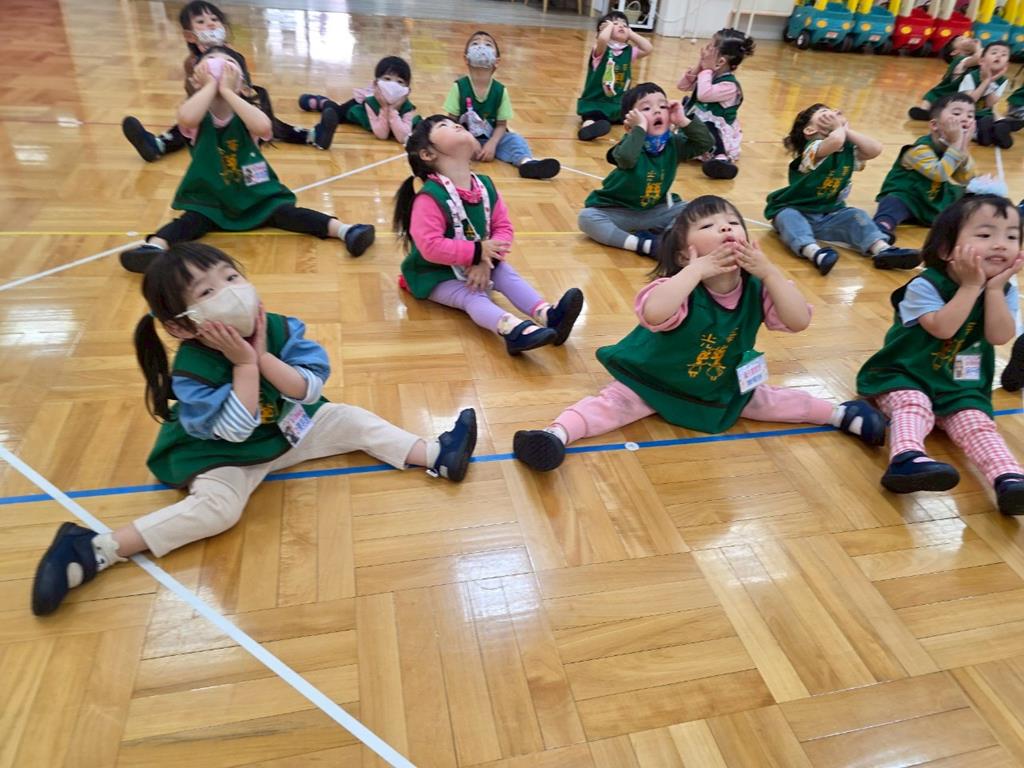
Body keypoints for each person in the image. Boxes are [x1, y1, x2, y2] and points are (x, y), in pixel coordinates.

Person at [31, 243, 477, 616]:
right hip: (223, 455)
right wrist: (244, 365)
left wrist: (262, 357)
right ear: (181, 326)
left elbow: (310, 388)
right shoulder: (192, 371)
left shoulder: (279, 327)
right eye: (208, 291)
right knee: (218, 511)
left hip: (284, 429)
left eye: (231, 277)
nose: (231, 293)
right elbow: (233, 432)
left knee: (350, 419)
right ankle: (95, 548)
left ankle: (436, 454)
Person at [513, 195, 886, 471]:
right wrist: (694, 272)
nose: (725, 228)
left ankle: (839, 415)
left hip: (716, 384)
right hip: (651, 379)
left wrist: (771, 273)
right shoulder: (681, 286)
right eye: (708, 227)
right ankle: (556, 434)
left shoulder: (759, 286)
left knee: (770, 400)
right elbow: (654, 311)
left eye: (733, 222)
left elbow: (798, 321)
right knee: (610, 405)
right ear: (682, 254)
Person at [119, 47, 374, 274]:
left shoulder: (246, 113)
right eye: (211, 61)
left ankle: (346, 230)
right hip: (212, 199)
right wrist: (208, 87)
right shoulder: (196, 116)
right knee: (188, 222)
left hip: (255, 195)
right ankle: (154, 247)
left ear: (242, 82)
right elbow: (185, 118)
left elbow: (263, 127)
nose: (220, 67)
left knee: (290, 214)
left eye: (229, 64)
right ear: (197, 78)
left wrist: (228, 91)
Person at [857, 194, 1024, 514]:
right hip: (903, 374)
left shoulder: (1003, 290)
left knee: (976, 422)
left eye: (1012, 236)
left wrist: (992, 290)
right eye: (985, 234)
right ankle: (906, 458)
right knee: (913, 404)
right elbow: (943, 329)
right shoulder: (926, 285)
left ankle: (1008, 478)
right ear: (947, 250)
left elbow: (999, 336)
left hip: (959, 384)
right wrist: (971, 287)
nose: (1000, 245)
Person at [394, 116, 584, 356]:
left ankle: (548, 315)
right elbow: (430, 247)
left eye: (454, 123)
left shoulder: (484, 185)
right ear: (427, 154)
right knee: (471, 296)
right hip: (433, 273)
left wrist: (486, 260)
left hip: (479, 259)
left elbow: (503, 227)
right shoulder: (429, 198)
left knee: (505, 272)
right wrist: (477, 253)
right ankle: (513, 331)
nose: (456, 124)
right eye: (443, 126)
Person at [122, 1, 337, 161]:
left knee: (270, 123)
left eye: (214, 20)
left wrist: (237, 92)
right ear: (189, 36)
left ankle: (313, 135)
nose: (210, 24)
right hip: (207, 114)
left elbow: (245, 88)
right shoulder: (192, 62)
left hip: (235, 110)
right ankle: (156, 145)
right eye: (201, 22)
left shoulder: (233, 56)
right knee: (183, 126)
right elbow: (192, 96)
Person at [764, 103, 921, 276]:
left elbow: (875, 149)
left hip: (829, 215)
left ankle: (882, 249)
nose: (834, 112)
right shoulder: (812, 149)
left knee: (856, 215)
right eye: (825, 113)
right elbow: (836, 141)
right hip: (798, 211)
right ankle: (815, 253)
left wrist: (846, 130)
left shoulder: (847, 151)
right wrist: (839, 126)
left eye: (833, 111)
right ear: (809, 130)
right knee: (787, 217)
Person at [578, 83, 713, 256]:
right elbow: (627, 158)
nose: (657, 111)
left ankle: (667, 240)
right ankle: (644, 245)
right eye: (646, 108)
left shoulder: (674, 143)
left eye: (662, 106)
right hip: (617, 211)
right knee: (587, 218)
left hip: (655, 210)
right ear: (630, 123)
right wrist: (639, 128)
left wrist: (683, 121)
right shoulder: (629, 144)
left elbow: (705, 144)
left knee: (694, 209)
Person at [442, 31, 560, 179]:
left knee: (515, 139)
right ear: (466, 58)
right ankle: (453, 164)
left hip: (492, 138)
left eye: (487, 44)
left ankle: (526, 163)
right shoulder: (459, 87)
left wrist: (492, 143)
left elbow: (501, 125)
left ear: (496, 61)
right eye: (475, 43)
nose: (481, 47)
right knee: (446, 142)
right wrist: (470, 141)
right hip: (464, 139)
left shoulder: (500, 90)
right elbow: (452, 122)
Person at [873, 93, 977, 243]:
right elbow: (939, 174)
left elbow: (965, 178)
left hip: (935, 199)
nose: (965, 119)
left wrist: (963, 147)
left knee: (974, 196)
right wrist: (956, 144)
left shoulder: (953, 148)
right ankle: (881, 228)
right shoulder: (919, 149)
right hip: (910, 198)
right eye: (956, 113)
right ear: (934, 125)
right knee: (893, 202)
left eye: (970, 115)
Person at [677, 31, 755, 179]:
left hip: (716, 134)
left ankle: (720, 157)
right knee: (681, 108)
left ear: (720, 62)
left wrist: (706, 69)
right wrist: (700, 66)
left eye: (710, 48)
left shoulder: (729, 86)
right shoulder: (708, 75)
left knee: (708, 124)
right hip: (697, 126)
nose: (704, 50)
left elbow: (703, 94)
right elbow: (682, 86)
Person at [298, 55, 421, 146]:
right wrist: (384, 108)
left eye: (400, 82)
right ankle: (322, 102)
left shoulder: (407, 107)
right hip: (360, 111)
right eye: (387, 79)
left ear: (407, 90)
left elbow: (402, 137)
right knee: (338, 112)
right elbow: (382, 134)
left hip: (382, 120)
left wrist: (392, 110)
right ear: (376, 84)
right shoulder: (370, 102)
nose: (393, 85)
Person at [576, 11, 653, 141]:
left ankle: (642, 127)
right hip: (597, 103)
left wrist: (631, 33)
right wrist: (608, 28)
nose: (621, 26)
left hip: (618, 105)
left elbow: (648, 48)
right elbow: (603, 39)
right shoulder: (600, 49)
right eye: (615, 24)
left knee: (635, 113)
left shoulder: (629, 52)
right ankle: (588, 128)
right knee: (593, 116)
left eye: (624, 25)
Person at [908, 35, 981, 121]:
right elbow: (980, 58)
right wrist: (977, 46)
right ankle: (924, 110)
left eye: (967, 37)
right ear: (955, 52)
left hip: (959, 94)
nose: (968, 39)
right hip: (952, 93)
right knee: (933, 94)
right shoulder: (959, 59)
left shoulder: (972, 61)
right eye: (962, 39)